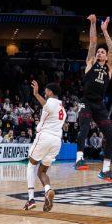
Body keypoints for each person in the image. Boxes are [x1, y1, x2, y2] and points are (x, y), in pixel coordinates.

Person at [73, 15, 112, 182]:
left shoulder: (109, 68)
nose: (100, 52)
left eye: (102, 52)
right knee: (84, 128)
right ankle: (79, 159)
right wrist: (93, 24)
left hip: (99, 105)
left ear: (106, 57)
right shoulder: (91, 63)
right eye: (99, 51)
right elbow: (92, 43)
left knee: (110, 136)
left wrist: (105, 31)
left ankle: (105, 170)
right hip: (85, 102)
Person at [26, 80, 65, 211]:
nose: (45, 92)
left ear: (51, 92)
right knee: (42, 171)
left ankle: (31, 199)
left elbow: (46, 105)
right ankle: (48, 190)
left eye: (46, 90)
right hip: (56, 141)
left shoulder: (51, 102)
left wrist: (36, 94)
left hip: (45, 137)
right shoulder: (62, 108)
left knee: (31, 165)